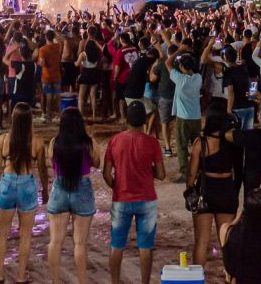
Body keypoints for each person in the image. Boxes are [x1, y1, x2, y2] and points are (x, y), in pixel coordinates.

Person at [104, 101, 165, 284]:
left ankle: (115, 281)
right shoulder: (152, 142)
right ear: (144, 121)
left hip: (121, 198)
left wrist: (115, 186)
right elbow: (161, 174)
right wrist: (148, 170)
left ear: (127, 119)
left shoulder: (115, 141)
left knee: (116, 245)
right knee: (145, 246)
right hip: (146, 199)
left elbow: (106, 173)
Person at [0, 102, 48, 284]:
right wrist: (45, 189)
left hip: (7, 183)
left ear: (13, 119)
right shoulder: (37, 141)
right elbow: (42, 169)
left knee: (2, 233)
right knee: (25, 234)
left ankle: (0, 275)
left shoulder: (3, 140)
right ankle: (21, 276)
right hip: (27, 184)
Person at [46, 107, 98, 284]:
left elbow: (51, 162)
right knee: (80, 243)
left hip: (60, 188)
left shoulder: (54, 142)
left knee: (55, 241)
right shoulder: (88, 143)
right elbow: (97, 162)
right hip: (82, 188)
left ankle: (55, 281)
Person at [186, 108, 242, 267]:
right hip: (227, 190)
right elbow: (239, 171)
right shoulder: (233, 143)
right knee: (226, 241)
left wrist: (190, 191)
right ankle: (230, 276)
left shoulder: (201, 143)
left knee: (201, 241)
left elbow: (191, 174)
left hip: (205, 190)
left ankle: (198, 276)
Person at [167, 50, 204, 182]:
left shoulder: (180, 79)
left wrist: (178, 50)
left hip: (183, 118)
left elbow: (167, 63)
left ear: (182, 66)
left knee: (182, 146)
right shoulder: (198, 78)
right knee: (197, 145)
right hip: (196, 117)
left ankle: (185, 173)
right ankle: (198, 170)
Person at [38, 29, 64, 123]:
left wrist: (40, 62)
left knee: (49, 96)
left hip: (46, 76)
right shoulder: (58, 46)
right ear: (53, 37)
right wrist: (55, 32)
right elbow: (61, 39)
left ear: (45, 37)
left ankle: (49, 116)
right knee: (58, 96)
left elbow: (42, 63)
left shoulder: (42, 49)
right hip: (57, 75)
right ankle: (59, 115)